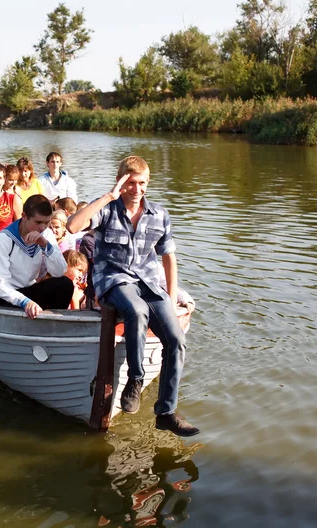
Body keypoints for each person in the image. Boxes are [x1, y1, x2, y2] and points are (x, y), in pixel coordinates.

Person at [67, 155, 199, 437]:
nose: (136, 189)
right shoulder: (108, 210)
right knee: (136, 310)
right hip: (113, 279)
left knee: (176, 340)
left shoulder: (159, 214)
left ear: (148, 183)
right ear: (121, 181)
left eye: (141, 183)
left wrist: (171, 297)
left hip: (150, 282)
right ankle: (135, 379)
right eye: (130, 183)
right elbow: (73, 226)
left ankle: (166, 412)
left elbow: (169, 258)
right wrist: (108, 195)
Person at [0, 195, 74, 319]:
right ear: (24, 216)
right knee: (1, 293)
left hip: (28, 290)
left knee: (65, 284)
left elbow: (59, 272)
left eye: (46, 222)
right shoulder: (4, 239)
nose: (43, 227)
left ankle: (53, 324)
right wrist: (25, 302)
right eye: (38, 222)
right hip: (4, 296)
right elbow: (0, 285)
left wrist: (46, 246)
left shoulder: (46, 234)